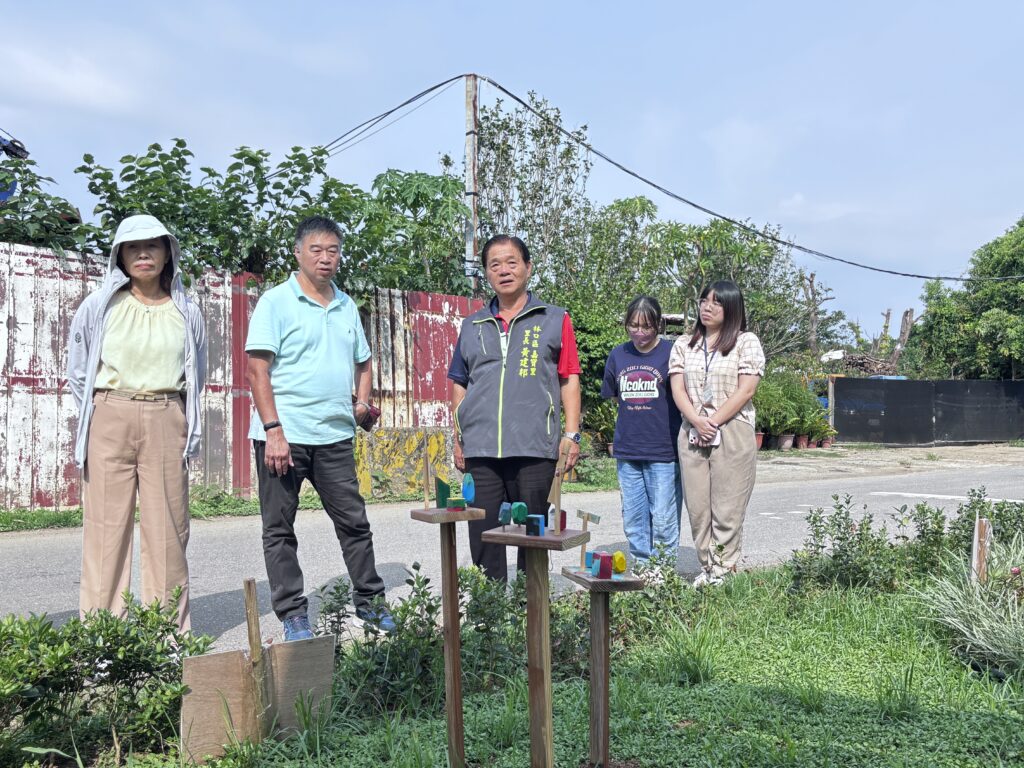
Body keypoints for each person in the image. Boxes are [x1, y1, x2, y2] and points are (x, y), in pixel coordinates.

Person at [246, 215, 393, 640]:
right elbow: (258, 370)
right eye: (316, 250)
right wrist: (273, 429)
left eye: (333, 250)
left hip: (334, 436)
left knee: (354, 522)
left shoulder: (346, 305)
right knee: (279, 529)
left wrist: (362, 403)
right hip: (284, 439)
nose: (326, 258)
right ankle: (293, 614)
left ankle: (370, 601)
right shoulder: (276, 302)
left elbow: (363, 360)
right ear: (298, 253)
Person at [68, 214, 207, 631]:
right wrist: (103, 411)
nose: (143, 253)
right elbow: (79, 372)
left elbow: (197, 371)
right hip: (110, 414)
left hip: (167, 415)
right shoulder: (100, 305)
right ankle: (103, 639)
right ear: (120, 255)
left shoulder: (187, 311)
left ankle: (167, 636)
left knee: (168, 532)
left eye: (153, 246)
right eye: (132, 247)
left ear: (168, 254)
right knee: (106, 532)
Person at [448, 235, 582, 580]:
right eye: (495, 264)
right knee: (483, 536)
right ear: (486, 274)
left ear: (527, 267)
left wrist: (571, 434)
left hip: (536, 446)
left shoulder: (554, 319)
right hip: (482, 448)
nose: (504, 271)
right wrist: (459, 435)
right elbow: (459, 381)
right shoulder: (471, 325)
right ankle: (490, 614)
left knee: (533, 536)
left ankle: (531, 612)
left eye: (511, 262)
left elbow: (569, 378)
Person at [668, 280, 764, 586]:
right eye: (703, 300)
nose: (707, 307)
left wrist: (714, 421)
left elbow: (746, 389)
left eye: (716, 302)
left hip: (732, 427)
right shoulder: (685, 343)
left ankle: (723, 570)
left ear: (732, 308)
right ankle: (707, 568)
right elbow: (677, 388)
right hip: (693, 429)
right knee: (698, 508)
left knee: (728, 507)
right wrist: (697, 420)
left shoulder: (746, 341)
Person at [601, 296, 683, 563]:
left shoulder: (671, 352)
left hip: (663, 449)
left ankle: (664, 572)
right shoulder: (618, 354)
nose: (639, 332)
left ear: (657, 325)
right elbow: (615, 396)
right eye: (633, 326)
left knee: (662, 515)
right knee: (634, 515)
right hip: (628, 448)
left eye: (646, 326)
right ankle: (642, 566)